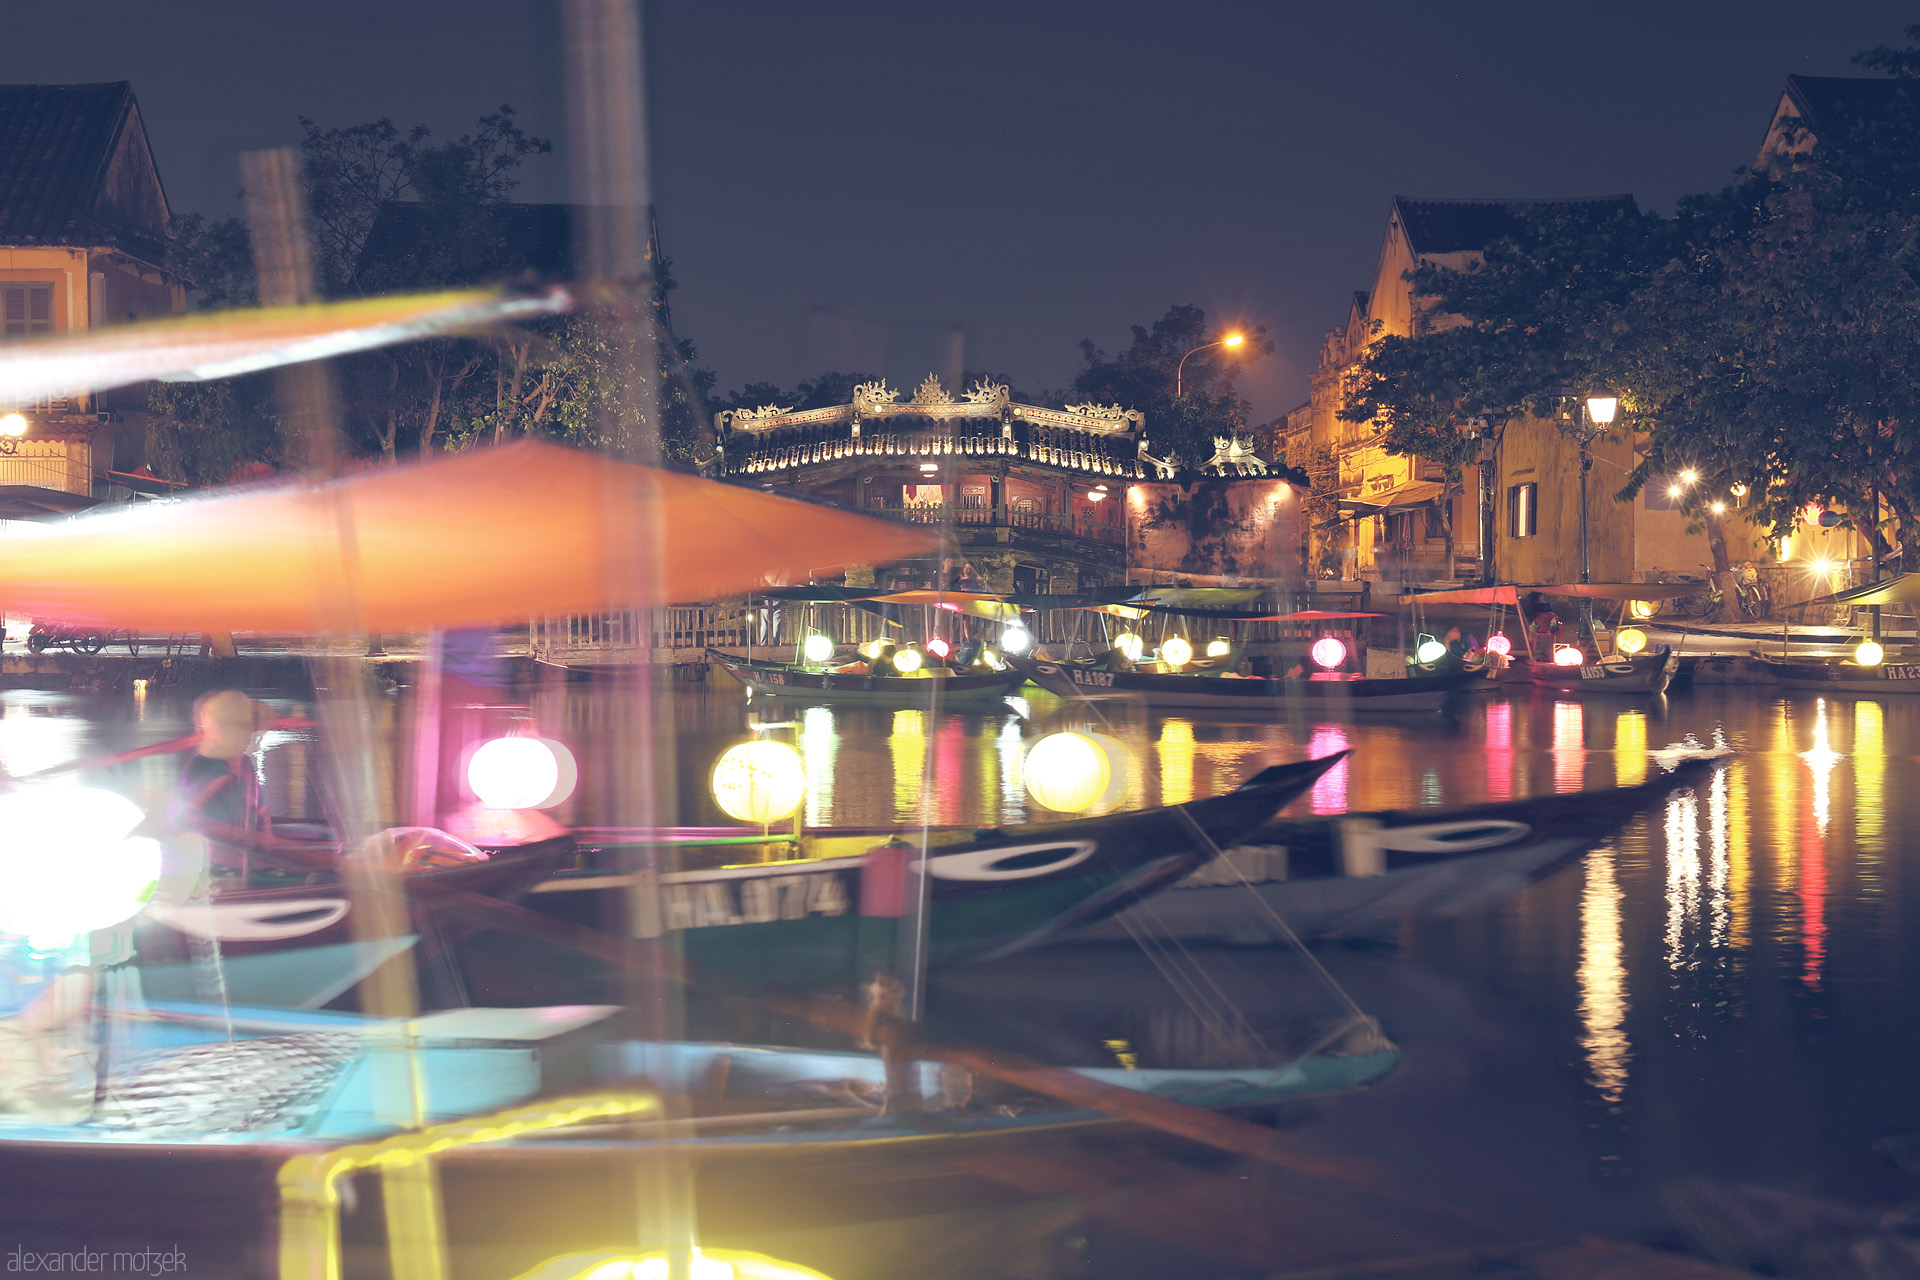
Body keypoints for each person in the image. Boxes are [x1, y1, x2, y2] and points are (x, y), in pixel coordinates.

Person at [170, 690, 271, 881]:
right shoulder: (204, 767)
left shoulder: (244, 764)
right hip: (213, 861)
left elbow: (260, 810)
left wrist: (265, 832)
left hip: (244, 856)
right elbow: (185, 818)